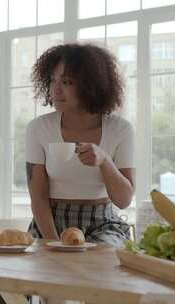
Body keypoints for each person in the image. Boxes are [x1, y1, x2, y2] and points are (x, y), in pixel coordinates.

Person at [25, 43, 135, 247]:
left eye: (66, 82)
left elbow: (124, 201)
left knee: (100, 265)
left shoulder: (120, 129)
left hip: (102, 224)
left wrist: (104, 161)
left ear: (91, 85)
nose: (55, 90)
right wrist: (54, 243)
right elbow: (38, 197)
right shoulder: (38, 128)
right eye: (52, 80)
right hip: (49, 222)